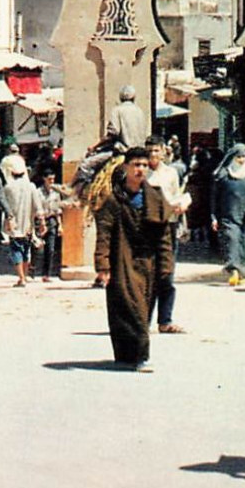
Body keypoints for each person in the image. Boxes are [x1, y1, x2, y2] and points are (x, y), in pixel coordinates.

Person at [94, 148, 176, 371]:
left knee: (143, 308)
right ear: (126, 168)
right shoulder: (114, 200)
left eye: (143, 165)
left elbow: (165, 236)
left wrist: (167, 265)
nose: (140, 169)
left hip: (149, 262)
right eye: (135, 165)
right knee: (130, 307)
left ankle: (126, 355)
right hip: (123, 261)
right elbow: (104, 234)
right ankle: (139, 357)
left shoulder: (155, 198)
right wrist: (103, 265)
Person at [145, 136, 190, 332]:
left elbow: (177, 195)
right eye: (150, 150)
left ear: (163, 151)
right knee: (147, 276)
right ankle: (143, 321)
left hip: (168, 227)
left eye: (156, 150)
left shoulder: (171, 173)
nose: (153, 154)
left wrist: (182, 206)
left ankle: (165, 320)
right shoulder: (142, 173)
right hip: (147, 228)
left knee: (167, 275)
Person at [211, 144, 245, 286]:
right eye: (238, 157)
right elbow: (214, 198)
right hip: (228, 216)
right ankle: (233, 270)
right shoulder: (223, 175)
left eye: (244, 157)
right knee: (232, 240)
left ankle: (241, 273)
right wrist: (214, 217)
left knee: (244, 244)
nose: (241, 160)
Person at [1, 153, 44, 286]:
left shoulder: (8, 188)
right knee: (26, 252)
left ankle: (21, 278)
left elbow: (5, 207)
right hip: (28, 226)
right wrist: (42, 222)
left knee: (16, 251)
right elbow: (38, 207)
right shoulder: (31, 186)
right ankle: (24, 276)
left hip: (14, 225)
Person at [36, 168, 70, 282]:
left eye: (53, 179)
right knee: (37, 247)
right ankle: (32, 269)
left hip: (51, 220)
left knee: (50, 249)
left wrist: (60, 225)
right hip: (40, 220)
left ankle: (46, 274)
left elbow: (58, 210)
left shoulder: (56, 193)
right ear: (44, 179)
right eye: (49, 179)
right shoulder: (38, 192)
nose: (51, 181)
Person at [105, 84, 150, 151]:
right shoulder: (140, 111)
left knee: (88, 161)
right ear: (134, 97)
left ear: (120, 98)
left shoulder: (117, 110)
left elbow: (112, 133)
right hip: (141, 150)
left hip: (124, 151)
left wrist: (94, 146)